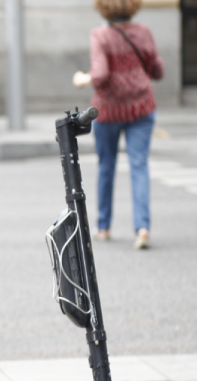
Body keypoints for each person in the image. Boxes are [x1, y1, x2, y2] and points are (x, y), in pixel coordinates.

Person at [73, 0, 163, 250]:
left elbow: (100, 74)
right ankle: (142, 229)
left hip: (108, 111)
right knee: (139, 166)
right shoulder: (144, 32)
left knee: (106, 165)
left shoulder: (100, 35)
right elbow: (157, 70)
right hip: (141, 108)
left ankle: (104, 226)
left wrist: (83, 78)